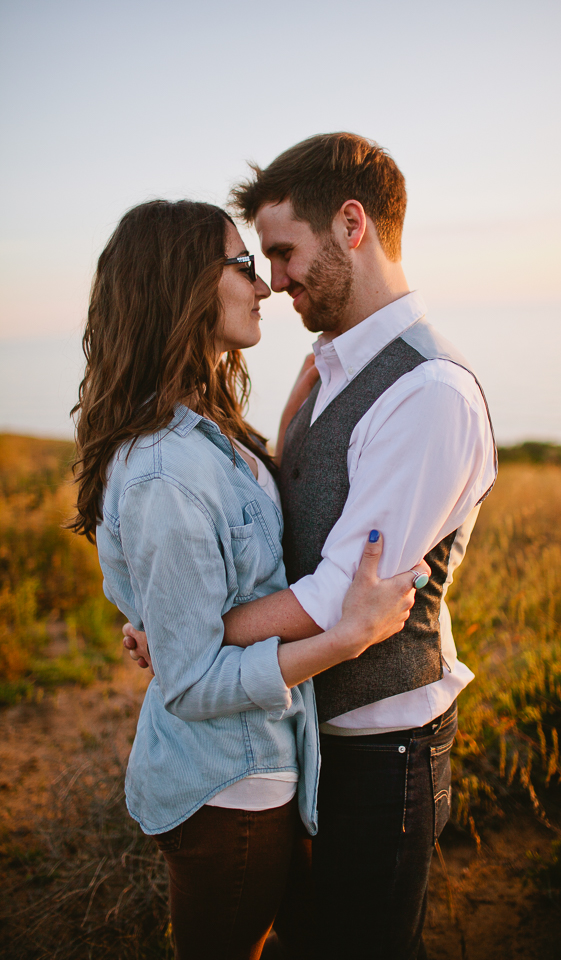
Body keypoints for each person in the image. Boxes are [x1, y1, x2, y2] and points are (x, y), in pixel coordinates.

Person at [126, 133, 498, 959]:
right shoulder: (329, 368)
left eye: (285, 252)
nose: (277, 278)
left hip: (379, 745)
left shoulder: (428, 391)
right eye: (261, 260)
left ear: (352, 225)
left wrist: (192, 630)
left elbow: (340, 596)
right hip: (305, 729)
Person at [69, 198, 428, 960]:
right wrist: (348, 636)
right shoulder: (165, 471)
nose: (264, 285)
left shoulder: (207, 428)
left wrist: (293, 419)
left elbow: (216, 596)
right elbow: (193, 681)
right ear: (182, 289)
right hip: (226, 789)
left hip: (264, 764)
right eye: (241, 265)